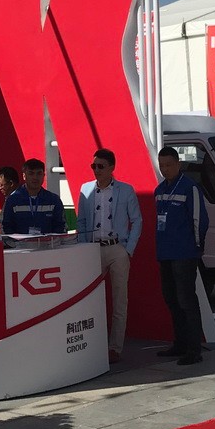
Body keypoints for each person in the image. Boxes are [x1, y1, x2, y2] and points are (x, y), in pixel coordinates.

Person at [76, 148, 142, 363]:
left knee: (119, 299)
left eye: (101, 166)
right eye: (93, 166)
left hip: (117, 248)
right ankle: (91, 344)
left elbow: (137, 220)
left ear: (112, 168)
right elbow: (81, 221)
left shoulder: (125, 190)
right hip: (93, 249)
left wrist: (128, 249)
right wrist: (84, 247)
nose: (96, 170)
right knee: (89, 298)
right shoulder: (86, 189)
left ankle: (115, 347)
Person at [154, 146, 207, 367]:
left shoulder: (189, 187)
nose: (165, 169)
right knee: (171, 299)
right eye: (162, 165)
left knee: (186, 300)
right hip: (165, 253)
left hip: (184, 253)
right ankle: (180, 344)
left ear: (178, 164)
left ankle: (194, 350)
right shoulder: (159, 190)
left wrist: (197, 247)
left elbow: (199, 220)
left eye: (169, 165)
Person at [1, 159, 66, 234]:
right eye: (31, 173)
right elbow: (5, 227)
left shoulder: (54, 200)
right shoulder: (12, 200)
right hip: (19, 242)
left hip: (47, 241)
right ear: (24, 176)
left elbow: (61, 227)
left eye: (39, 173)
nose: (35, 177)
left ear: (44, 175)